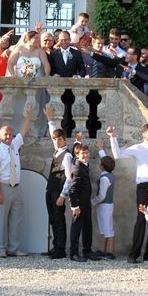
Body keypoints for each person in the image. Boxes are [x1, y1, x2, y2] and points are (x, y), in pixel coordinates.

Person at [107, 123, 148, 263]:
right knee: (142, 218)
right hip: (144, 185)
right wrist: (113, 137)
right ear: (144, 134)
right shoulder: (138, 148)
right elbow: (118, 155)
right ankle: (134, 254)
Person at [0, 104, 33, 257]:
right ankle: (0, 249)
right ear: (0, 136)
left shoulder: (14, 146)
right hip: (3, 187)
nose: (8, 137)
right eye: (5, 134)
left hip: (16, 188)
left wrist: (28, 116)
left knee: (16, 220)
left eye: (10, 134)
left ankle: (13, 248)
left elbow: (23, 131)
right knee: (1, 220)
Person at [42, 106, 74, 259]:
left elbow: (69, 177)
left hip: (58, 192)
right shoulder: (57, 151)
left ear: (65, 140)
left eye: (59, 139)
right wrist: (50, 120)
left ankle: (61, 249)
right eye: (55, 139)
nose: (56, 141)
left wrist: (63, 195)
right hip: (50, 190)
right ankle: (55, 247)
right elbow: (53, 132)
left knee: (59, 221)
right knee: (53, 220)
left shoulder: (67, 156)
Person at [48, 30, 85, 135]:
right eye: (62, 40)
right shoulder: (54, 53)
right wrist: (53, 75)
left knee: (69, 113)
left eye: (66, 39)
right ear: (58, 40)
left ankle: (68, 134)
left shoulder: (76, 53)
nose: (64, 42)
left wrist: (77, 76)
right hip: (57, 88)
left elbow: (82, 70)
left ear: (70, 40)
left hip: (71, 88)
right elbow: (50, 70)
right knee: (57, 112)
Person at [68, 143, 99, 262]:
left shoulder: (83, 163)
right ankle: (73, 253)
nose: (86, 155)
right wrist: (75, 206)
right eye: (83, 153)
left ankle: (87, 251)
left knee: (87, 227)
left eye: (87, 152)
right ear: (77, 155)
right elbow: (73, 189)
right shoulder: (77, 168)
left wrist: (78, 141)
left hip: (86, 202)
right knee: (76, 228)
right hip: (79, 204)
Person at [91, 138, 116, 260]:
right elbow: (106, 161)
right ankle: (103, 250)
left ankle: (109, 253)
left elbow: (102, 196)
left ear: (102, 166)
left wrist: (92, 202)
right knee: (104, 229)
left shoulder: (105, 178)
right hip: (105, 206)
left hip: (105, 205)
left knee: (108, 230)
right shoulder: (109, 174)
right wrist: (101, 150)